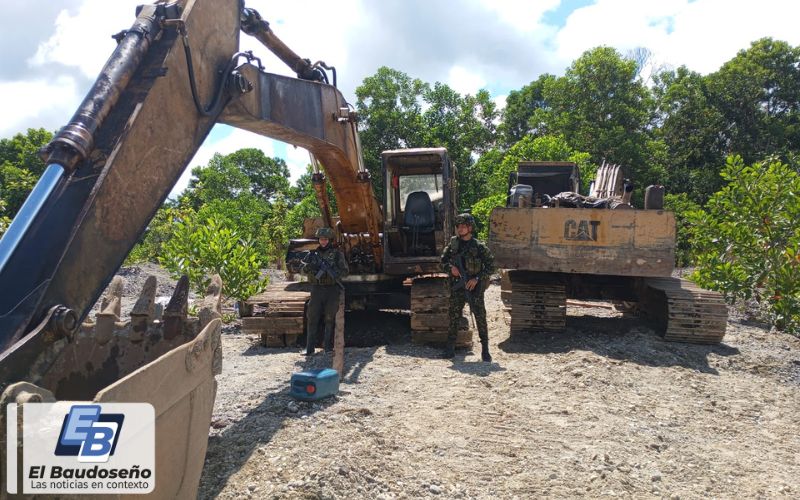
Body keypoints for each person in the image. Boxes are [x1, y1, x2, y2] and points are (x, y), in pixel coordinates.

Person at [440, 213, 495, 361]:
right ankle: (450, 348)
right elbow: (442, 262)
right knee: (454, 317)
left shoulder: (479, 247)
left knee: (480, 317)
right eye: (458, 226)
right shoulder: (453, 245)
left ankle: (485, 350)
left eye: (463, 226)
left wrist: (477, 278)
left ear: (470, 228)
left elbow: (491, 267)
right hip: (458, 287)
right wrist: (450, 269)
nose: (460, 229)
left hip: (474, 288)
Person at [300, 227, 349, 356]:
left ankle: (327, 347)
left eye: (326, 239)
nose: (323, 242)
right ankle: (309, 348)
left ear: (330, 240)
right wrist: (309, 267)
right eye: (321, 239)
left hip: (332, 289)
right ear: (318, 240)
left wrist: (334, 273)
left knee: (329, 318)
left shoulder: (337, 254)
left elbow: (345, 271)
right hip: (316, 289)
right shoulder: (311, 254)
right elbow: (301, 270)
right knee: (312, 318)